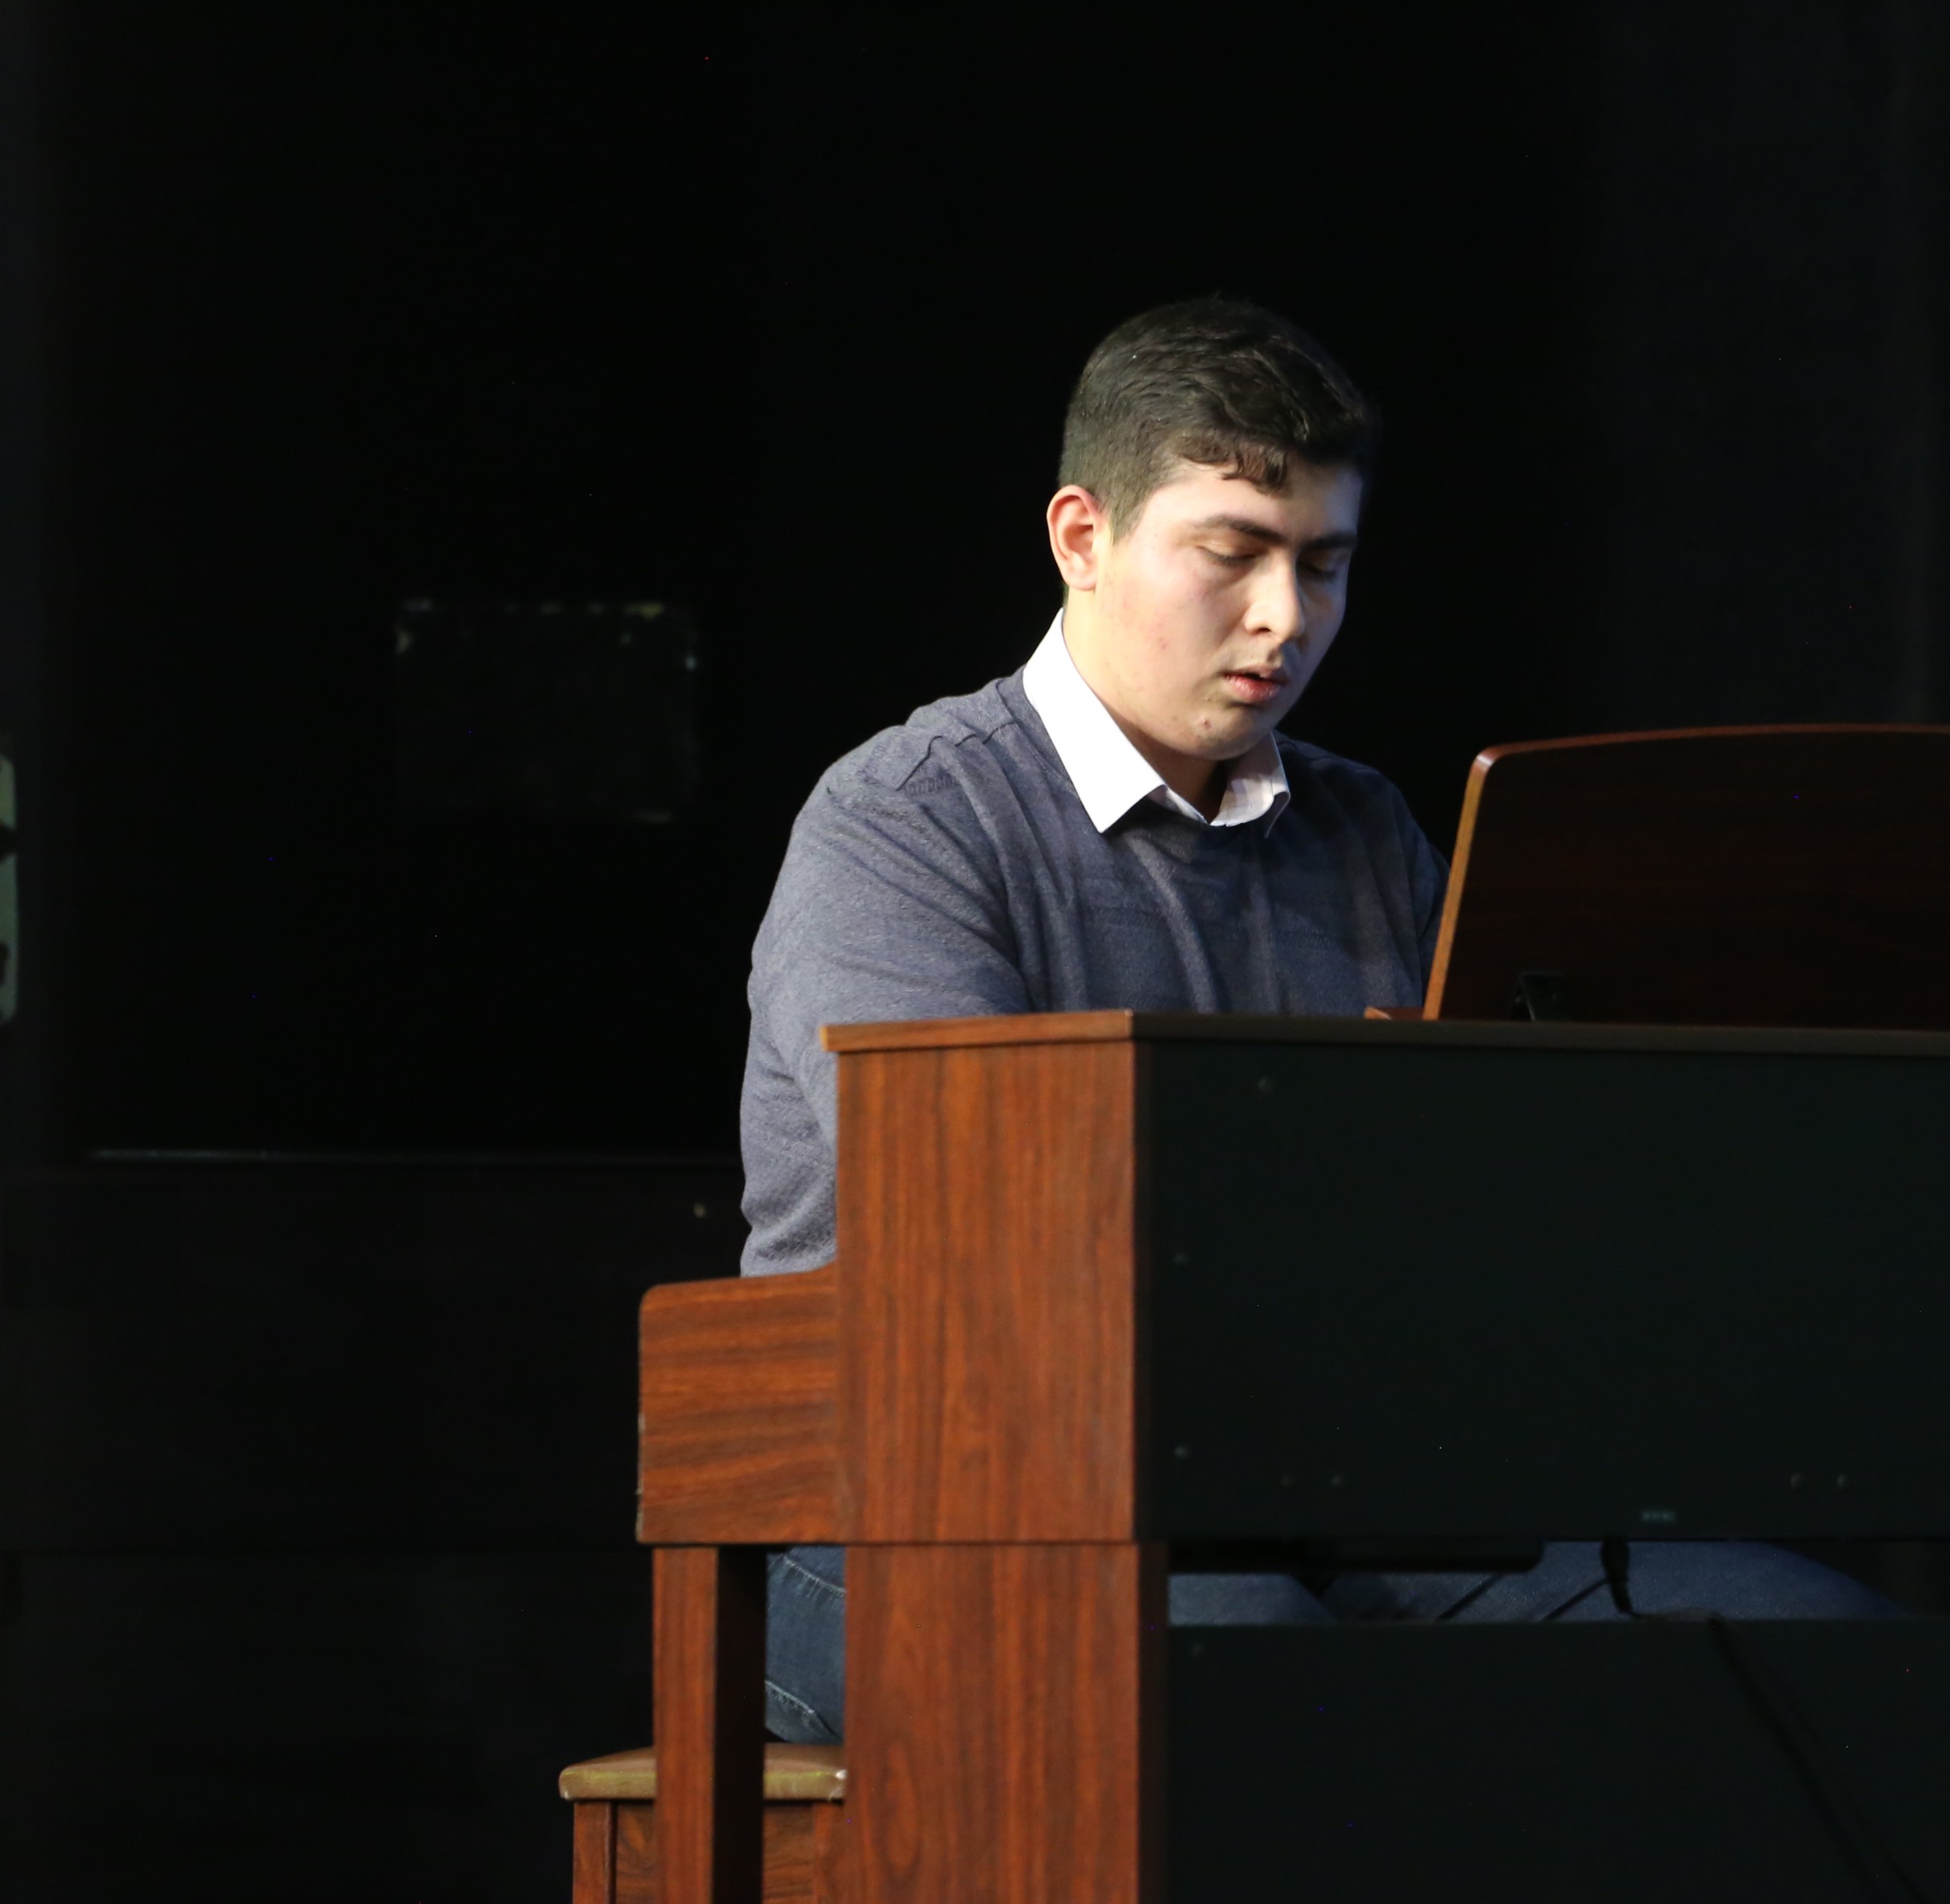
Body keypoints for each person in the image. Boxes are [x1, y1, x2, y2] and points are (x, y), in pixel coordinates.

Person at [735, 298, 1890, 1743]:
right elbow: (974, 1216)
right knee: (1259, 1677)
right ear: (1082, 538)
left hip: (1322, 1491)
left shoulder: (1364, 828)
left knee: (1821, 1657)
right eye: (1232, 553)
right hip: (914, 1511)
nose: (1286, 617)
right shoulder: (907, 821)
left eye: (1324, 565)